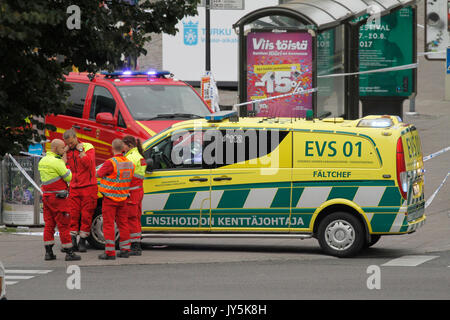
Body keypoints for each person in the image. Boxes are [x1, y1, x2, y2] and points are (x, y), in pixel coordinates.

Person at [38, 139, 81, 261]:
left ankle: (48, 252)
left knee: (49, 224)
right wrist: (65, 164)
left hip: (47, 197)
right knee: (64, 224)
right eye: (62, 148)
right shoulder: (57, 162)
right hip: (58, 198)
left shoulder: (43, 160)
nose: (64, 151)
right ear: (56, 148)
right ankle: (69, 252)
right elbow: (69, 177)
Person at [96, 139, 135, 260]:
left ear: (112, 148)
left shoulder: (110, 162)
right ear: (123, 148)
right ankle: (125, 250)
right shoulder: (130, 163)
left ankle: (110, 253)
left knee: (108, 225)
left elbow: (99, 174)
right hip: (123, 198)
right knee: (123, 224)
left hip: (110, 198)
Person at [63, 128, 98, 252]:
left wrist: (81, 150)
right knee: (73, 214)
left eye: (71, 143)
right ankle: (73, 240)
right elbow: (63, 167)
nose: (70, 145)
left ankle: (82, 240)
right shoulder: (67, 150)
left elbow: (89, 163)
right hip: (74, 187)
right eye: (68, 143)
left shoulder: (88, 147)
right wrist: (64, 153)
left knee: (86, 215)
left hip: (88, 187)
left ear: (76, 137)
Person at [122, 135, 147, 256]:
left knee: (131, 219)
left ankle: (135, 246)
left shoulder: (131, 158)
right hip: (138, 191)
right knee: (136, 218)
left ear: (130, 145)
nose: (122, 147)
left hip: (131, 192)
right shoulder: (139, 156)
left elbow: (124, 175)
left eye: (124, 145)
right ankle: (136, 243)